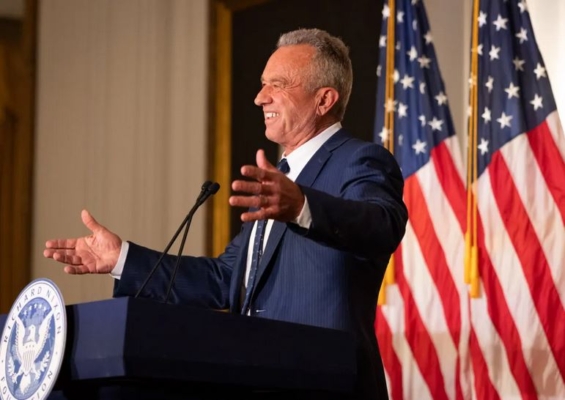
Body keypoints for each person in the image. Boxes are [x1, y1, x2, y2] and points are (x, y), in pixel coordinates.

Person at [44, 28, 407, 399]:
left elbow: (381, 225)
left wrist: (301, 205)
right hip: (252, 381)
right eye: (263, 84)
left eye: (277, 85)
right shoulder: (277, 184)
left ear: (324, 99)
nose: (259, 97)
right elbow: (224, 279)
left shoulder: (358, 161)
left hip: (326, 386)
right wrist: (121, 258)